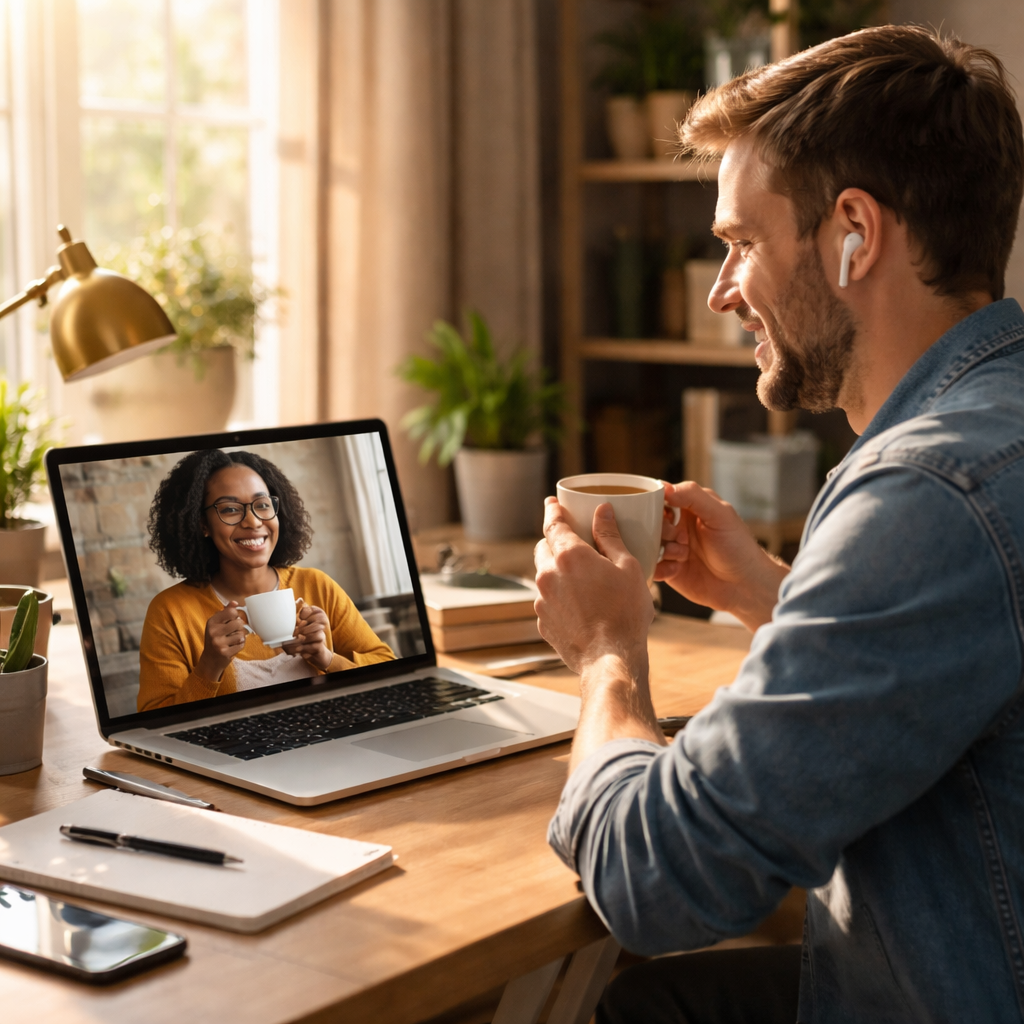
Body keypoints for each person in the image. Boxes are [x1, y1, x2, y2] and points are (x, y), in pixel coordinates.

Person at [536, 26, 1024, 1024]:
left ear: (854, 231)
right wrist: (771, 595)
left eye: (741, 244)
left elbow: (658, 880)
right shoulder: (992, 431)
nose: (721, 293)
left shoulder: (926, 489)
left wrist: (604, 653)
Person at [138, 449, 394, 712]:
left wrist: (327, 659)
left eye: (262, 505)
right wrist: (208, 667)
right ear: (202, 524)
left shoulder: (317, 586)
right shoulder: (170, 612)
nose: (253, 521)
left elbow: (391, 672)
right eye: (230, 509)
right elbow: (152, 721)